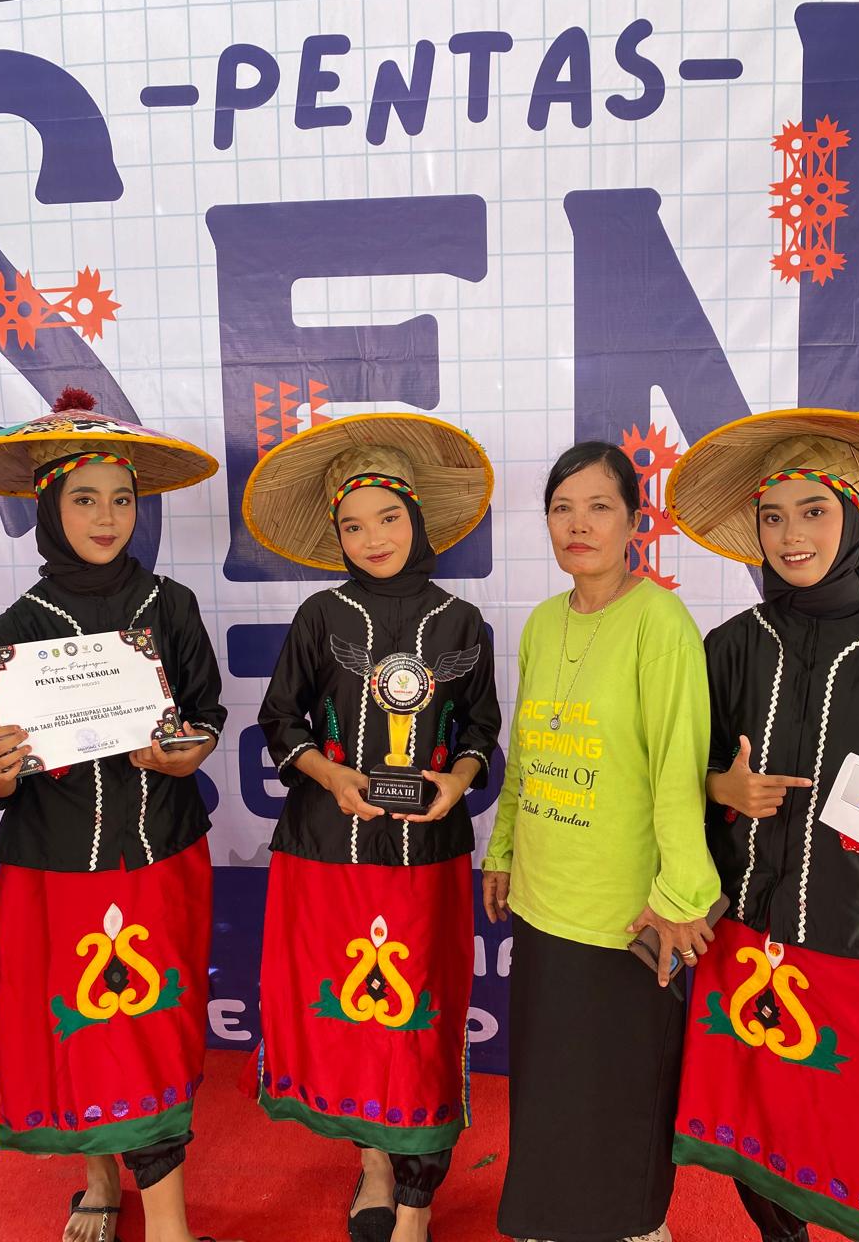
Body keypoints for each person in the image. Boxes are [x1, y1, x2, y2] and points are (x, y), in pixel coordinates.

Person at [666, 407, 859, 1241]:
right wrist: (720, 786)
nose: (791, 536)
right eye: (773, 516)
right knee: (757, 1119)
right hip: (744, 929)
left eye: (814, 511)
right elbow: (676, 778)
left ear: (853, 517)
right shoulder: (729, 645)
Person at [241, 412, 501, 1242]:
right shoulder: (320, 615)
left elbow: (481, 731)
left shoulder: (462, 622)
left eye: (387, 517)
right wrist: (329, 776)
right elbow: (280, 721)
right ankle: (376, 1168)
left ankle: (417, 1199)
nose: (373, 538)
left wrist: (457, 781)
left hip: (428, 853)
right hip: (327, 852)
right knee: (353, 1021)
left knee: (421, 1020)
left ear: (416, 517)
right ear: (337, 536)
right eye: (353, 526)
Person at [0, 389, 239, 1242]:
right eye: (85, 499)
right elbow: (1, 773)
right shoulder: (12, 632)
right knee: (78, 1030)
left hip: (160, 853)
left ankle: (169, 1224)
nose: (107, 518)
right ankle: (98, 1180)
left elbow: (207, 713)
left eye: (123, 499)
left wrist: (193, 749)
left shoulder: (170, 605)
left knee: (153, 1027)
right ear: (48, 510)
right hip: (52, 868)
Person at [482, 440, 721, 1242]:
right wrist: (503, 850)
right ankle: (549, 1221)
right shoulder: (543, 623)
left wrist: (679, 896)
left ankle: (632, 1227)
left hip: (629, 913)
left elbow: (677, 772)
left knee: (620, 1096)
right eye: (562, 508)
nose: (577, 525)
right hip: (544, 899)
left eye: (598, 507)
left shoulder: (661, 624)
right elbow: (526, 752)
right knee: (551, 1090)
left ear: (634, 523)